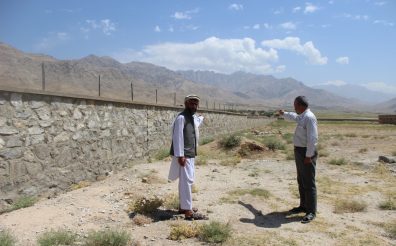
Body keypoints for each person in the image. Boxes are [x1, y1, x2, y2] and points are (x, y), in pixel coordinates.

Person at [278, 96, 318, 224]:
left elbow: (312, 139)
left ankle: (311, 211)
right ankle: (303, 205)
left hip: (306, 153)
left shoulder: (309, 118)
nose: (294, 108)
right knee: (301, 180)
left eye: (295, 105)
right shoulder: (302, 116)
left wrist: (308, 156)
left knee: (309, 183)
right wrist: (284, 113)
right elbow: (294, 117)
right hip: (299, 151)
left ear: (301, 106)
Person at [168, 94, 206, 220]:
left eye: (196, 103)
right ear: (186, 104)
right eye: (191, 103)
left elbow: (196, 124)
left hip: (190, 155)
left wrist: (202, 117)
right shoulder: (182, 118)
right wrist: (180, 155)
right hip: (184, 155)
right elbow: (177, 137)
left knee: (186, 181)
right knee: (186, 181)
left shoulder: (192, 118)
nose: (194, 105)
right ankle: (188, 211)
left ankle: (183, 206)